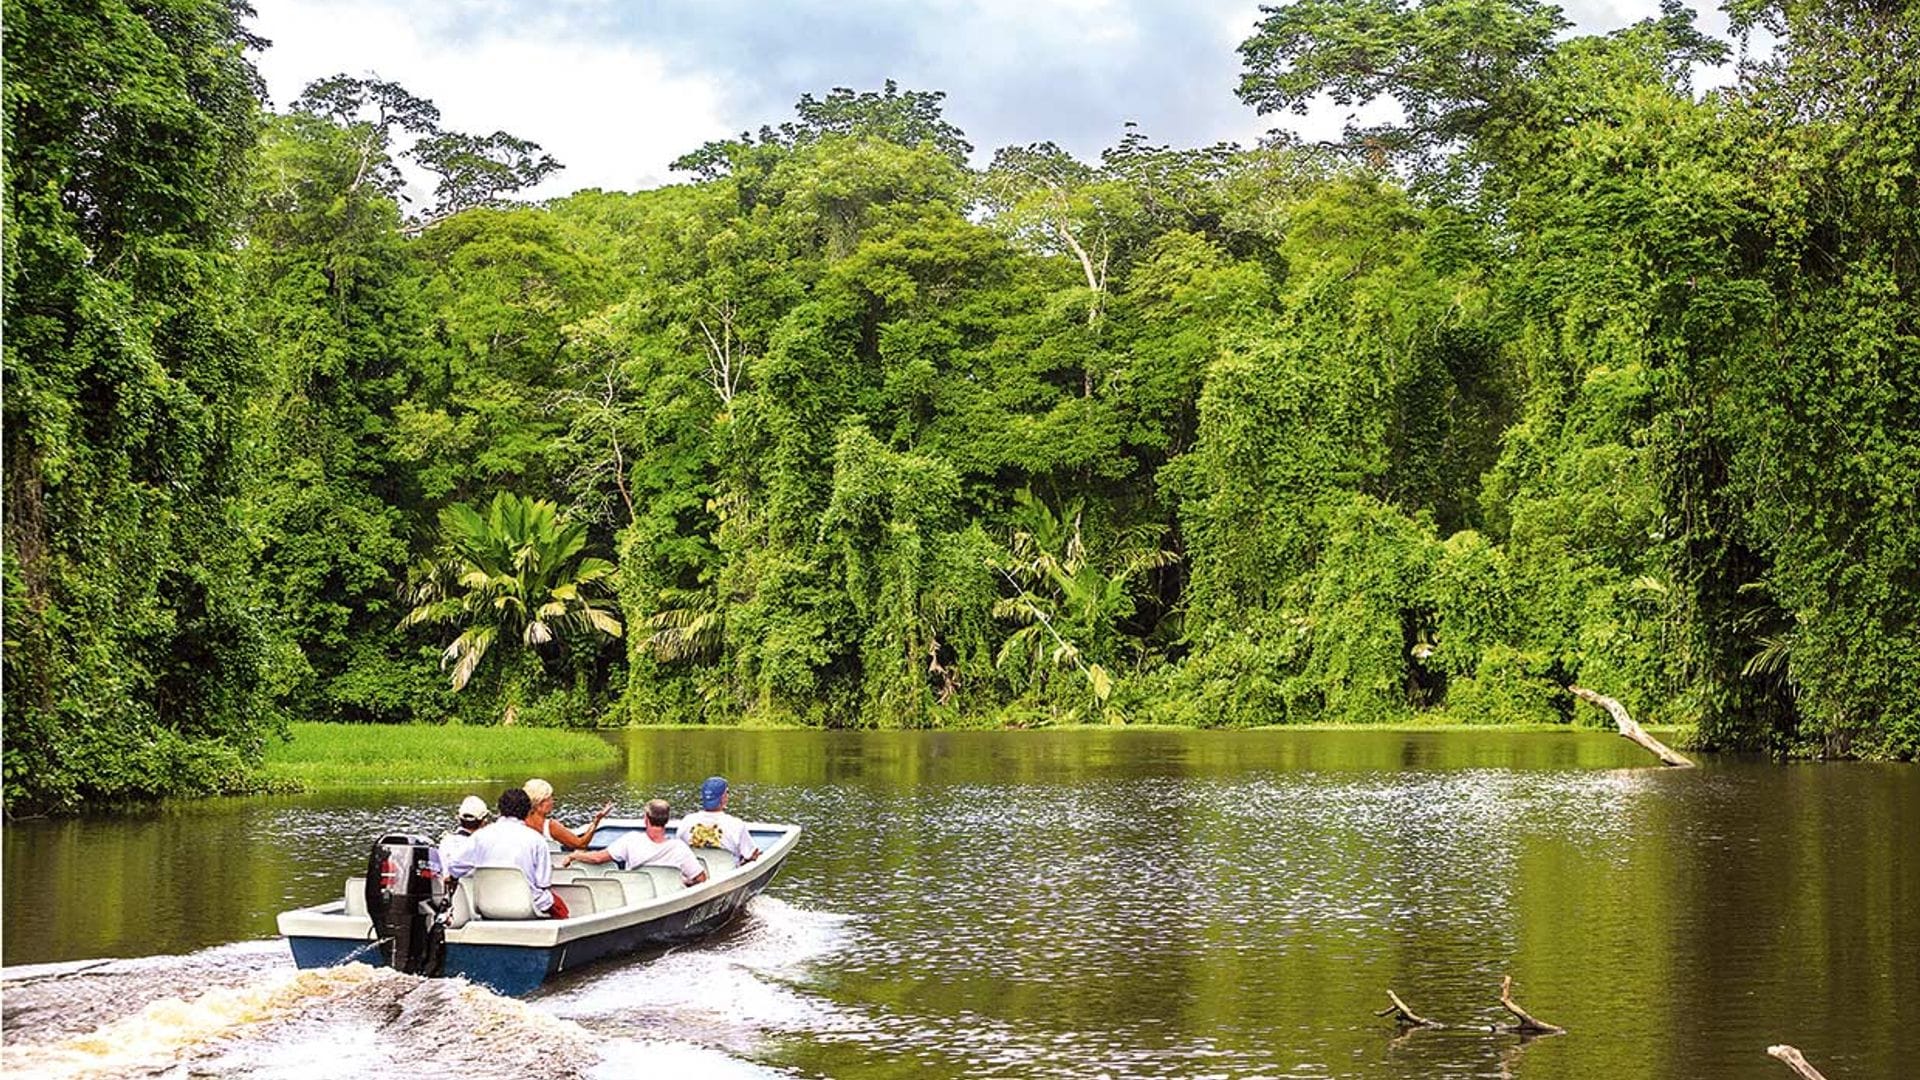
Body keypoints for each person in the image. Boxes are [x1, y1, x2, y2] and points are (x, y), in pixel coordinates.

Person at [451, 788, 567, 918]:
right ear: (528, 811)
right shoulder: (537, 840)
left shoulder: (479, 836)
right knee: (560, 908)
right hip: (526, 907)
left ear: (500, 810)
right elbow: (543, 883)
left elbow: (454, 867)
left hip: (487, 907)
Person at [562, 799, 708, 886]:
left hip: (637, 897)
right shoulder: (679, 848)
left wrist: (575, 855)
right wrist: (684, 882)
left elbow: (597, 858)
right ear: (667, 820)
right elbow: (702, 879)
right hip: (667, 896)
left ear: (646, 818)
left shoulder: (630, 840)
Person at [675, 776, 760, 865]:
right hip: (727, 874)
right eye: (727, 792)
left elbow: (679, 852)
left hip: (695, 874)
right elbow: (752, 855)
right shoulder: (736, 825)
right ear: (723, 798)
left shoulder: (686, 821)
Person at [523, 778, 612, 851]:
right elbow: (581, 844)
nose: (552, 801)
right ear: (539, 802)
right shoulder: (550, 826)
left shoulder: (520, 822)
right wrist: (596, 821)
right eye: (549, 798)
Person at [437, 794, 489, 881]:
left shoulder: (445, 842)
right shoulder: (483, 846)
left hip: (452, 891)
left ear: (459, 819)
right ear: (484, 822)